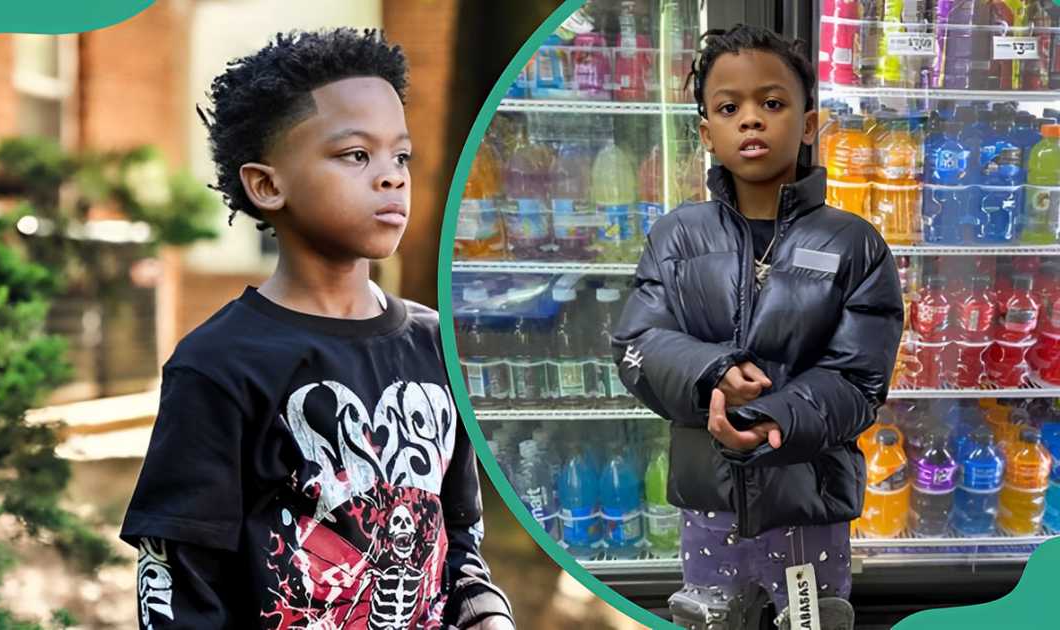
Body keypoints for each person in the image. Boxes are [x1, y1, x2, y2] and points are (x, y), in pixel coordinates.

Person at [120, 28, 514, 630]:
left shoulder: (438, 345)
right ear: (267, 185)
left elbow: (457, 541)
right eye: (356, 155)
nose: (392, 177)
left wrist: (487, 616)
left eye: (400, 155)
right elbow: (178, 587)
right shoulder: (218, 364)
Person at [612, 25, 903, 630]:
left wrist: (778, 416)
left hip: (811, 503)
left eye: (772, 103)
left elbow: (858, 379)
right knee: (713, 617)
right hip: (709, 505)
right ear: (705, 132)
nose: (751, 120)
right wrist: (711, 372)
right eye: (729, 107)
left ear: (809, 122)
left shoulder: (854, 245)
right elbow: (637, 344)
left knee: (815, 619)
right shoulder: (676, 237)